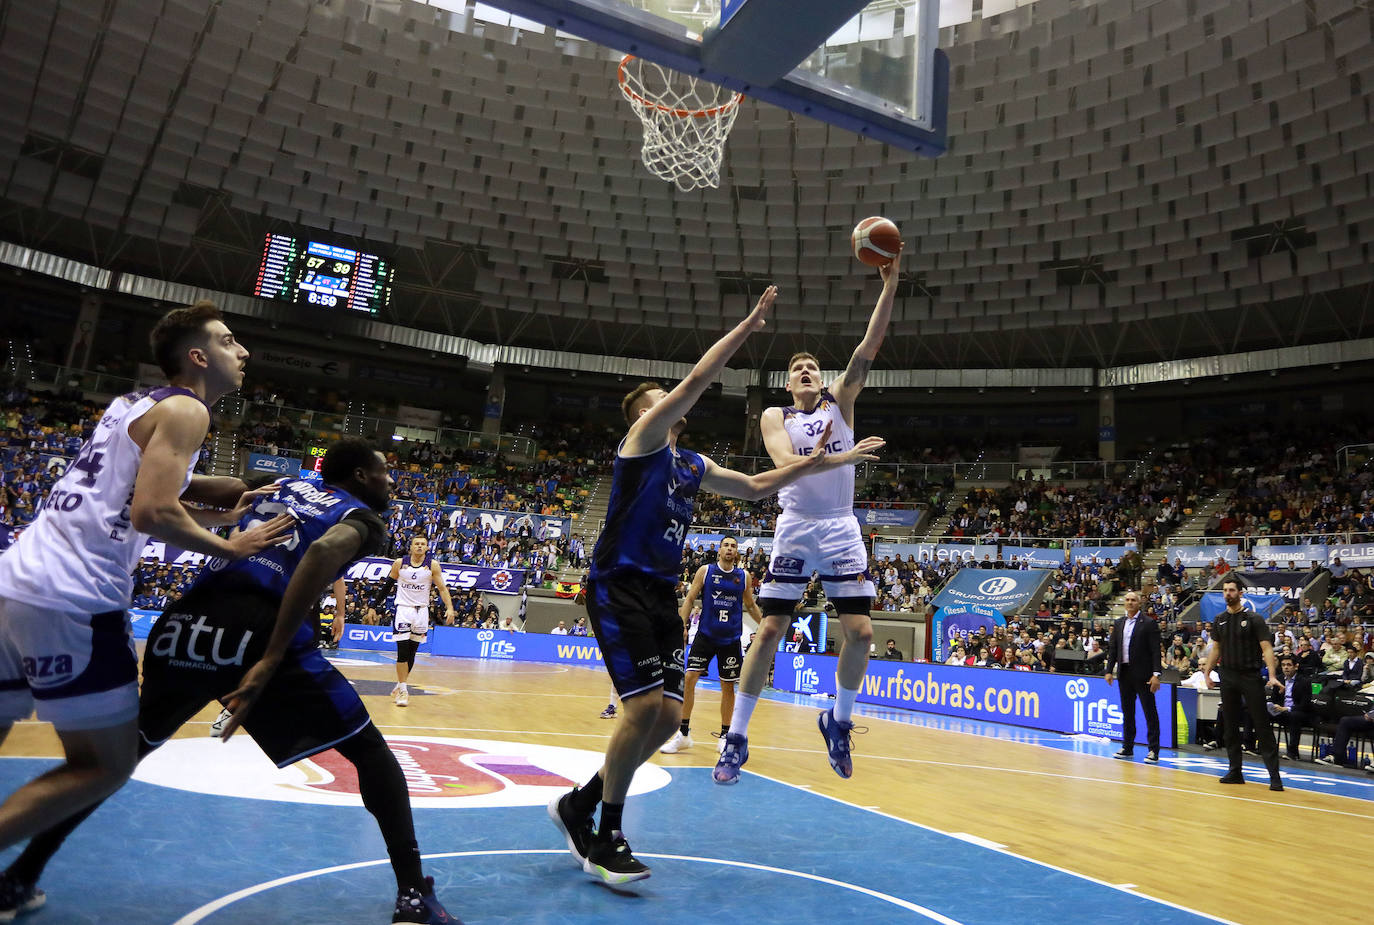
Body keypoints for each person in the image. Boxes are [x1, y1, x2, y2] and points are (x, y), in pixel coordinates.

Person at [0, 440, 458, 923]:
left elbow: (192, 487)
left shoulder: (278, 484)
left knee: (111, 763)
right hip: (256, 623)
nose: (391, 480)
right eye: (384, 471)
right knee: (368, 752)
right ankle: (412, 895)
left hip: (185, 622)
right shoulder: (364, 519)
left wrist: (143, 474)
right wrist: (272, 655)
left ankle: (19, 877)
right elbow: (323, 550)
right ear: (363, 476)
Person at [548, 286, 882, 884]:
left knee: (665, 715)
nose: (673, 406)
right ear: (647, 416)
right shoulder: (642, 445)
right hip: (618, 584)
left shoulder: (692, 463)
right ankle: (607, 834)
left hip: (658, 593)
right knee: (646, 707)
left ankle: (581, 803)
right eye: (660, 402)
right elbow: (699, 378)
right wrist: (750, 325)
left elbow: (756, 488)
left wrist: (835, 460)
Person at [0, 302, 293, 915]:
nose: (243, 353)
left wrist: (221, 510)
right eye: (230, 341)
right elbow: (151, 513)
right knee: (103, 765)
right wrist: (228, 545)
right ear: (198, 355)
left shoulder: (134, 403)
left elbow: (137, 494)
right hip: (72, 597)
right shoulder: (190, 410)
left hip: (15, 579)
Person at [715, 248, 901, 785]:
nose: (807, 371)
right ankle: (737, 737)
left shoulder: (841, 402)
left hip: (840, 526)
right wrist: (842, 457)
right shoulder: (776, 416)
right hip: (796, 526)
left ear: (823, 381)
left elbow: (869, 346)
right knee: (771, 627)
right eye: (798, 369)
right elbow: (784, 467)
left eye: (813, 367)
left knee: (862, 633)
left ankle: (837, 721)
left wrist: (889, 285)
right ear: (788, 383)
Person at [662, 536, 759, 754]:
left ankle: (725, 735)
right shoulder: (705, 571)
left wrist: (765, 627)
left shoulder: (743, 576)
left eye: (733, 546)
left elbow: (750, 605)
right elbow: (689, 599)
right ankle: (683, 733)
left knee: (728, 687)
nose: (729, 548)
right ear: (719, 550)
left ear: (737, 553)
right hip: (706, 635)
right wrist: (682, 625)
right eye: (726, 545)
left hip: (731, 639)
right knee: (689, 678)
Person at [1201, 576, 1284, 791]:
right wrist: (1207, 673)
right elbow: (1216, 650)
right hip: (1227, 676)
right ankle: (1235, 771)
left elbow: (1267, 649)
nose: (1228, 593)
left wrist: (1272, 675)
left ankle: (1274, 776)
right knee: (1229, 726)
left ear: (1241, 593)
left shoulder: (1254, 619)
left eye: (1231, 590)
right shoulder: (1219, 619)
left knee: (1262, 725)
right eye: (1225, 590)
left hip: (1250, 676)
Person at [386, 536, 455, 707]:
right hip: (403, 608)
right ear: (411, 546)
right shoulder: (400, 563)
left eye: (423, 544)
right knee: (402, 651)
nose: (419, 546)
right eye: (416, 543)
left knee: (412, 652)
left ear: (426, 548)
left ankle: (401, 683)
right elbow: (388, 584)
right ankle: (404, 690)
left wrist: (450, 607)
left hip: (422, 611)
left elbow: (442, 588)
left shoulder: (433, 565)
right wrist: (373, 605)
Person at [1104, 590, 1163, 763]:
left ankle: (1153, 750)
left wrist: (1156, 674)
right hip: (1124, 674)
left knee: (1150, 713)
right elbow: (1113, 649)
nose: (1130, 602)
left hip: (1144, 675)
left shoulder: (1149, 623)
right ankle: (1127, 747)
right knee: (1127, 712)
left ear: (1139, 603)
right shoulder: (1119, 622)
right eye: (1127, 600)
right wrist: (1109, 670)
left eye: (1133, 600)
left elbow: (1155, 651)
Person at [1267, 655, 1318, 761]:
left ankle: (1292, 752)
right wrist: (1272, 706)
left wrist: (1287, 709)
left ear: (1296, 666)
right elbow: (1274, 699)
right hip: (1282, 711)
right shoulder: (1279, 679)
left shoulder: (1304, 681)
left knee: (1294, 716)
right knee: (1262, 713)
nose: (1286, 667)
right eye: (1283, 665)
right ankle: (1263, 747)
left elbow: (1305, 705)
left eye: (1289, 665)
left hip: (1300, 712)